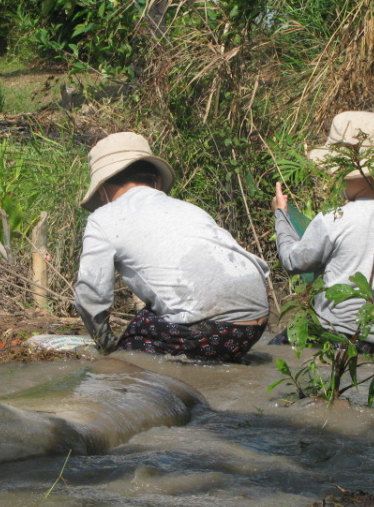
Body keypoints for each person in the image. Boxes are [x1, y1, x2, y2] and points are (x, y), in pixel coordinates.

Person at [75, 132, 270, 362]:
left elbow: (90, 295)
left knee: (121, 360)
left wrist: (104, 344)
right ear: (157, 181)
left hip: (209, 332)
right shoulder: (189, 209)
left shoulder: (103, 218)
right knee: (149, 318)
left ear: (102, 190)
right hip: (255, 324)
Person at [271, 111, 374, 352]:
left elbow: (293, 262)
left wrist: (281, 214)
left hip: (338, 335)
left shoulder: (334, 219)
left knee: (274, 348)